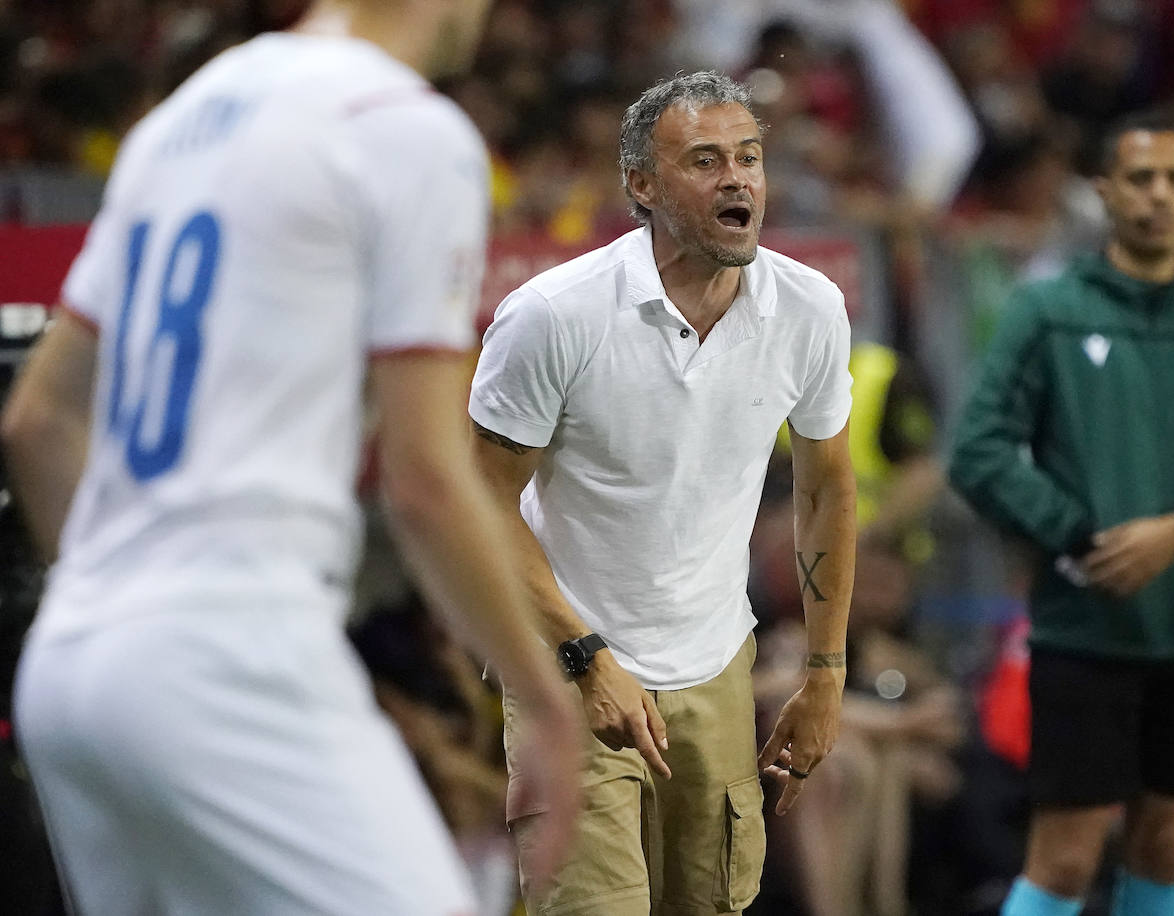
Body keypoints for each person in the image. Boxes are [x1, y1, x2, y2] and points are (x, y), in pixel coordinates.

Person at [0, 2, 581, 914]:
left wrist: (123, 613)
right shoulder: (402, 128)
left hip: (73, 663)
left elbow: (37, 423)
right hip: (230, 648)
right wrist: (547, 704)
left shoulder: (180, 120)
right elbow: (426, 479)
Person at [468, 70, 857, 915]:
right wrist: (584, 655)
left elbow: (828, 490)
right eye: (707, 161)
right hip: (568, 671)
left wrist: (825, 673)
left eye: (750, 158)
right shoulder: (552, 316)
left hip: (717, 668)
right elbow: (481, 504)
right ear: (641, 184)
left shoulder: (811, 310)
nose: (739, 180)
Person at [948, 110, 1174, 916]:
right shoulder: (1049, 312)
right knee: (1064, 859)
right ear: (1104, 193)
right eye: (1141, 178)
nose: (1159, 195)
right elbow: (979, 450)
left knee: (1167, 845)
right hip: (1085, 631)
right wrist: (1082, 536)